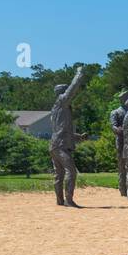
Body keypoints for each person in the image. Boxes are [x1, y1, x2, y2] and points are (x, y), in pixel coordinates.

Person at [49, 66, 86, 208]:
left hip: (55, 144)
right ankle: (69, 200)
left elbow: (62, 131)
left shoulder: (56, 110)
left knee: (59, 174)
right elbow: (72, 89)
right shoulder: (61, 101)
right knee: (71, 171)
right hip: (60, 146)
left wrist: (78, 137)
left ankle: (59, 201)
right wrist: (79, 74)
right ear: (62, 93)